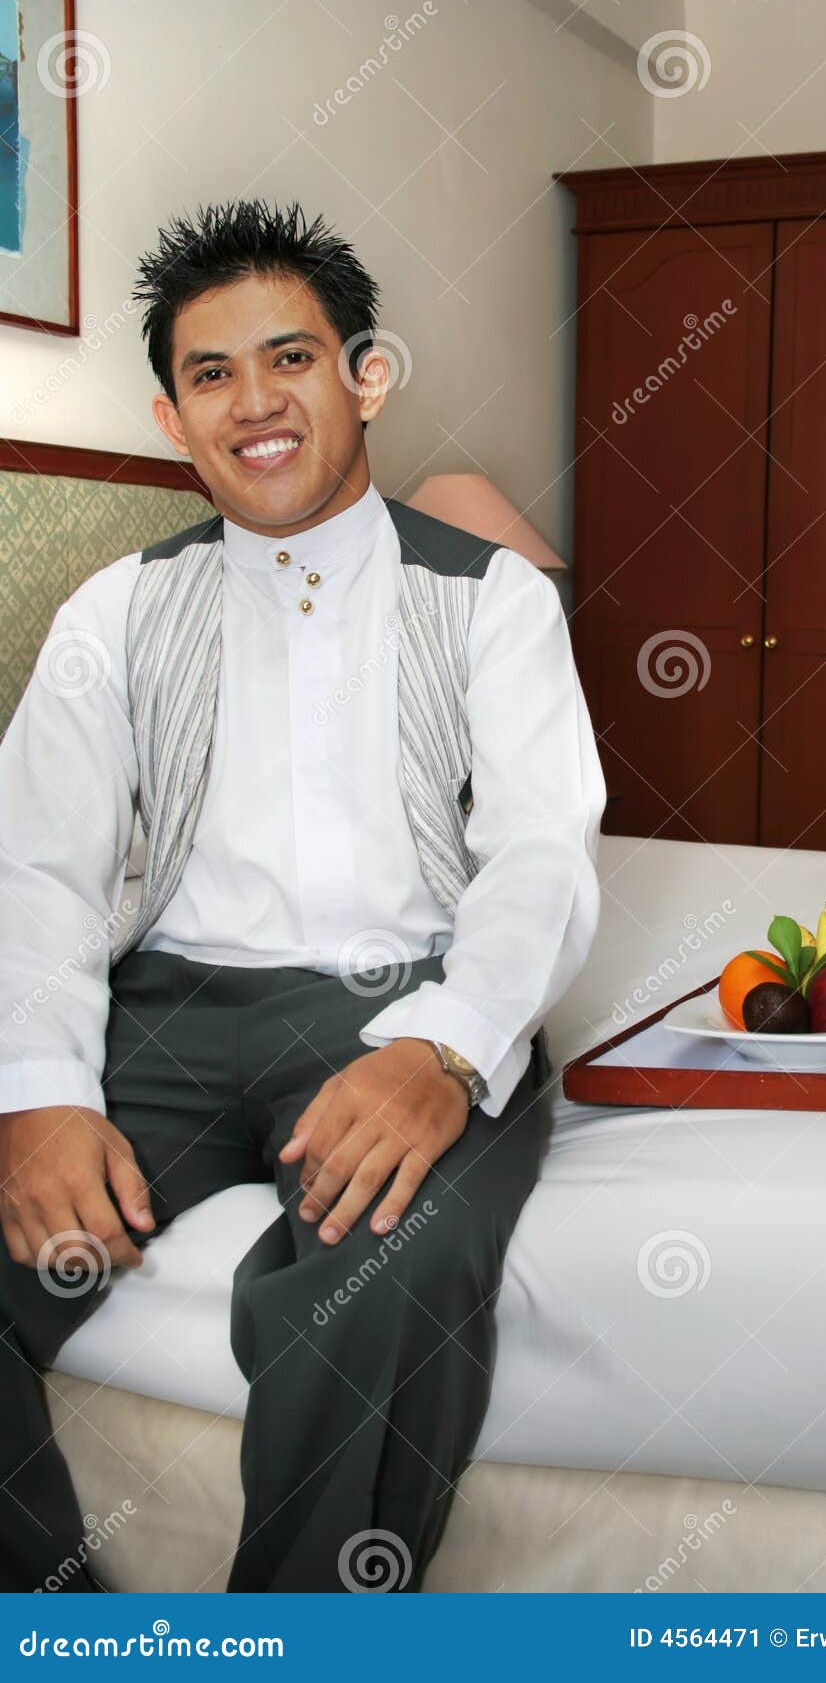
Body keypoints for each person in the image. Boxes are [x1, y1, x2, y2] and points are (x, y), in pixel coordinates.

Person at [0, 199, 605, 1592]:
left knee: (365, 1284)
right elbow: (37, 861)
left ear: (363, 375)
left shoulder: (489, 598)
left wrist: (444, 1048)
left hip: (406, 1010)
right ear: (172, 416)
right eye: (211, 375)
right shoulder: (115, 612)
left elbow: (540, 852)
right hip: (163, 1013)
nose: (254, 402)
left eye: (291, 358)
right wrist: (37, 1085)